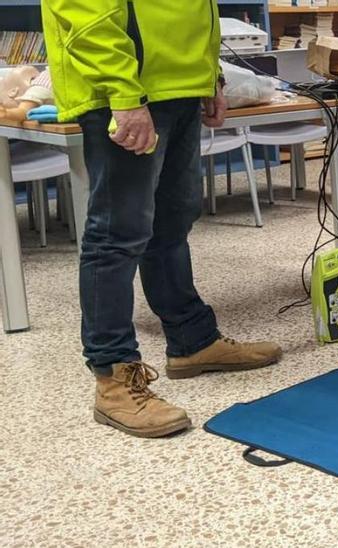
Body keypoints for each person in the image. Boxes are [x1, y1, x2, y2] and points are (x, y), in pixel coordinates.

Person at [41, 0, 284, 438]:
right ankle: (113, 377)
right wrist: (123, 92)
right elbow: (82, 10)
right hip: (128, 89)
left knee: (172, 221)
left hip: (180, 85)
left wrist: (210, 74)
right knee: (117, 233)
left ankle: (192, 341)